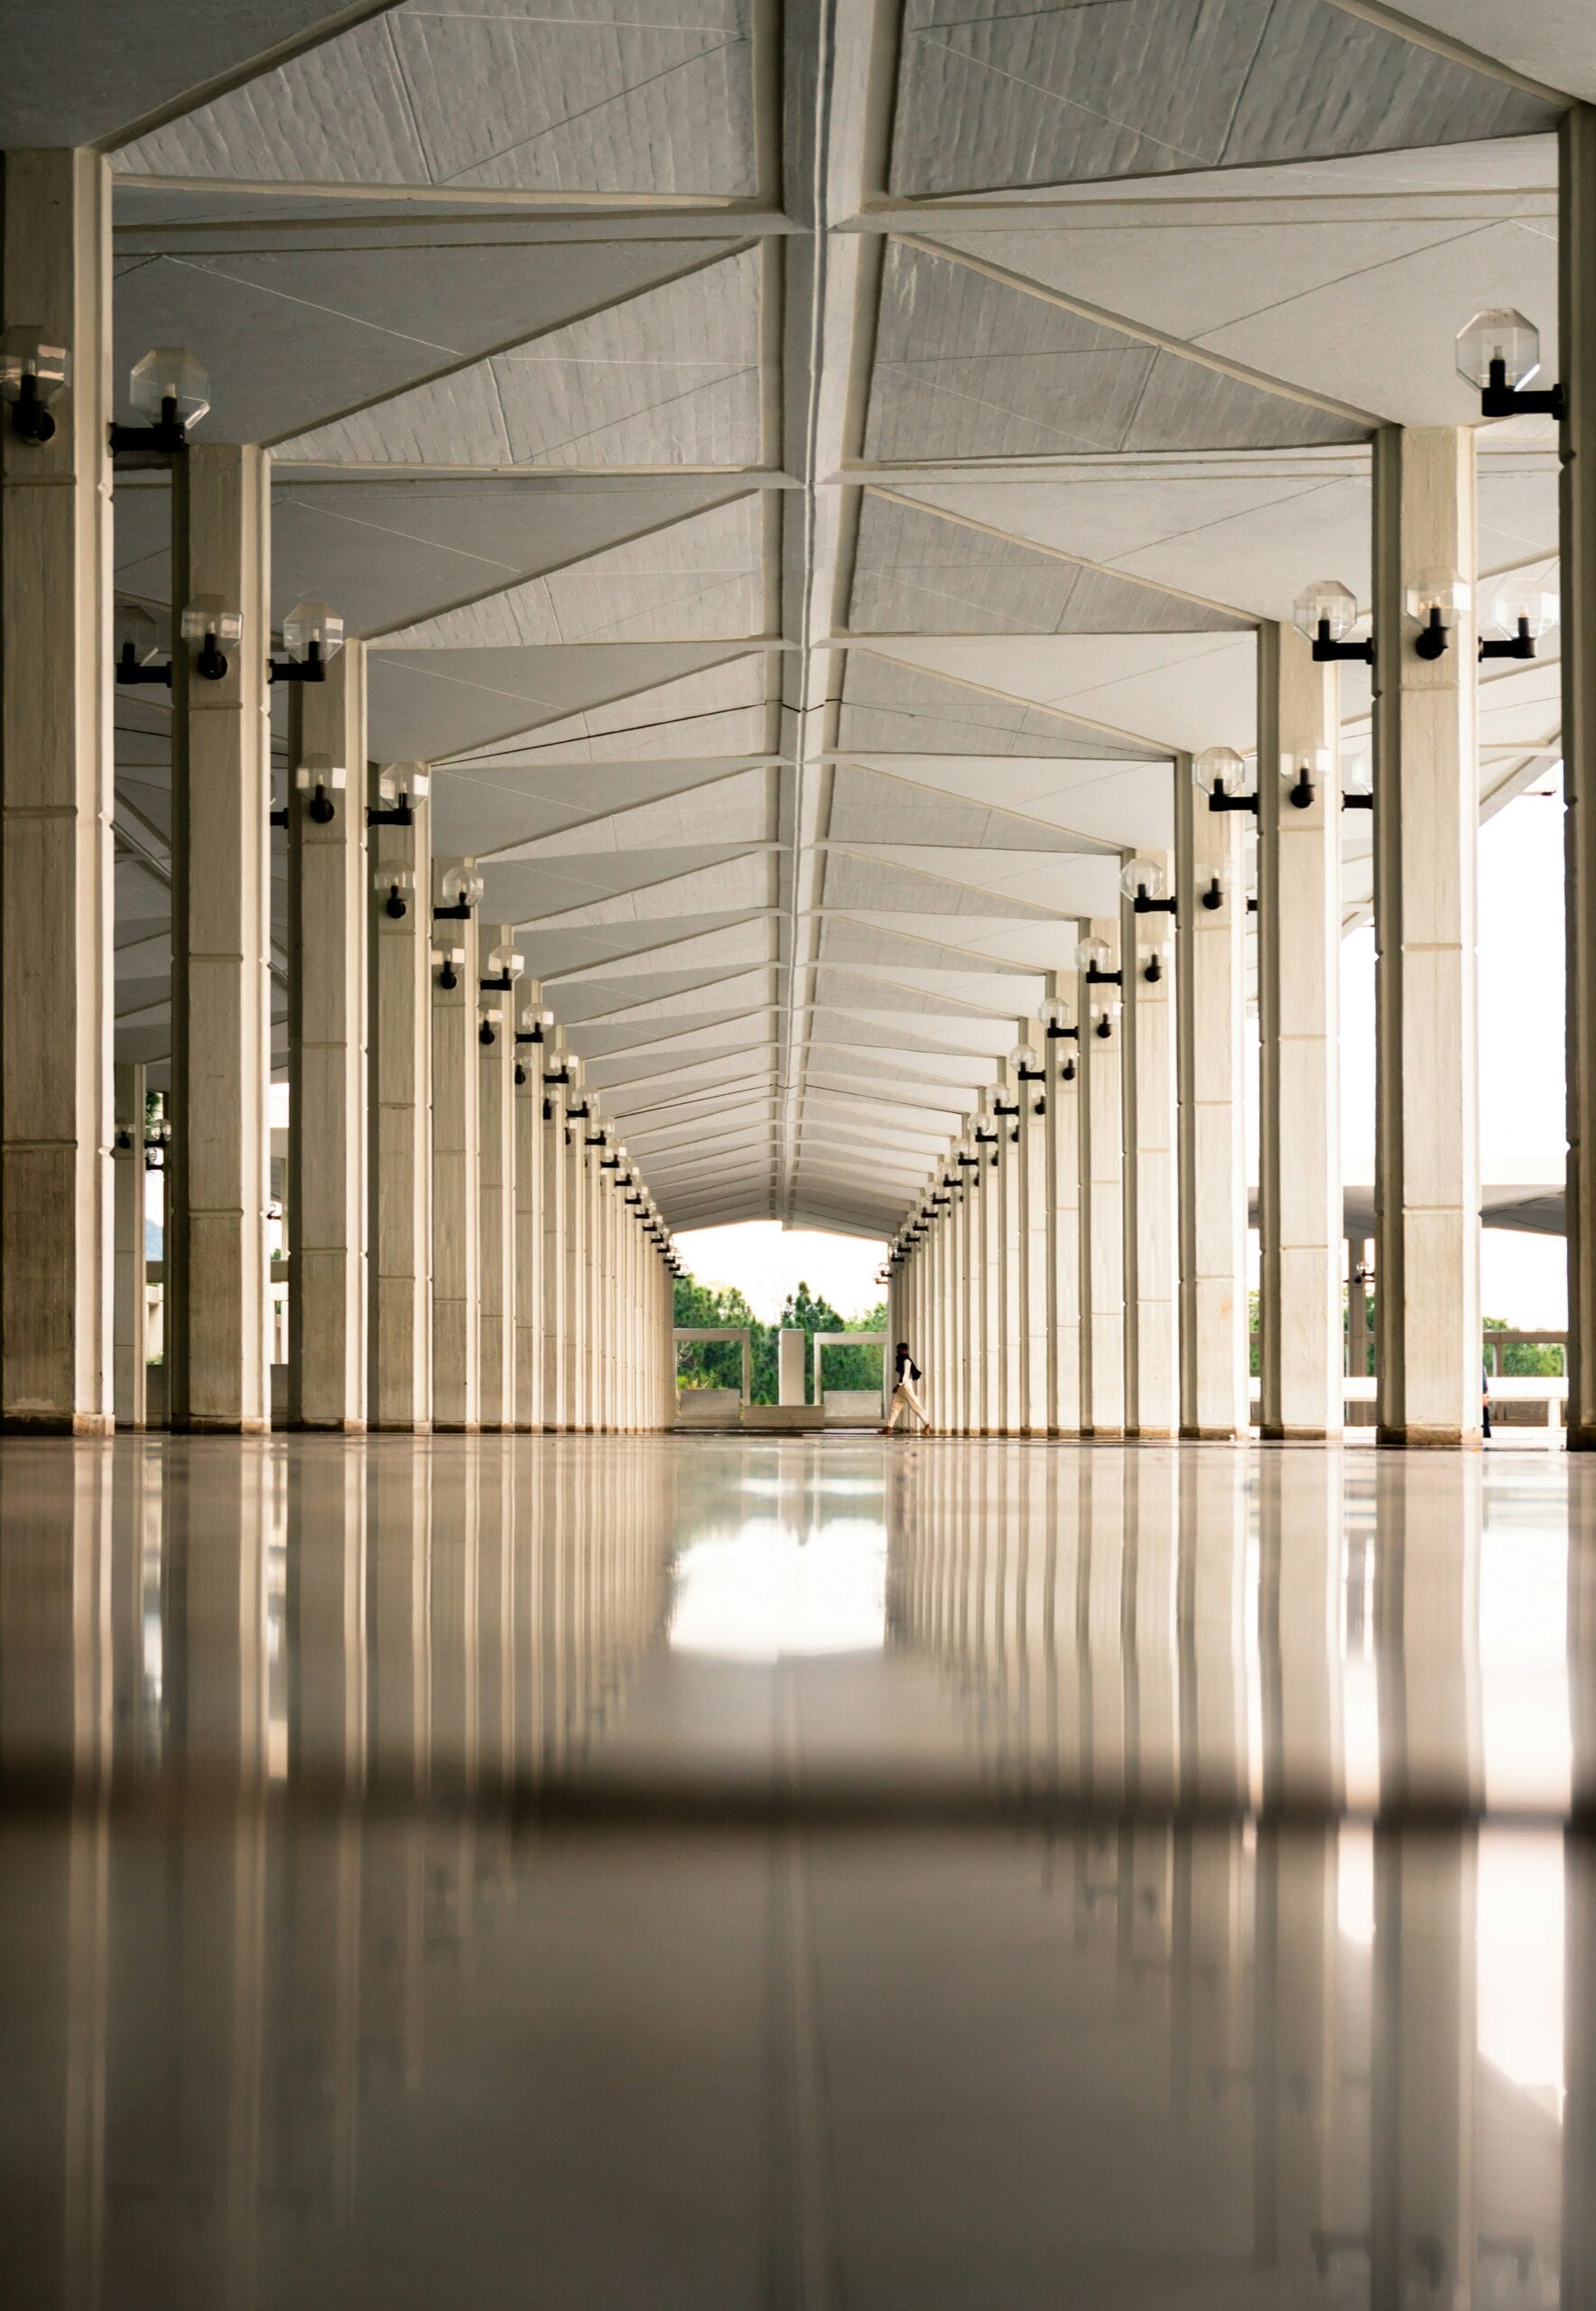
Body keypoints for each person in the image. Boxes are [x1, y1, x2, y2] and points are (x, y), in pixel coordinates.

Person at [886, 1341, 929, 1434]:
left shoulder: (907, 1361)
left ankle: (927, 1423)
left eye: (898, 1350)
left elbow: (905, 1374)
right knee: (894, 1406)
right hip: (902, 1388)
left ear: (903, 1350)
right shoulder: (902, 1360)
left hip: (905, 1386)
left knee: (915, 1405)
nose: (897, 1352)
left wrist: (898, 1385)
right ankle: (889, 1427)